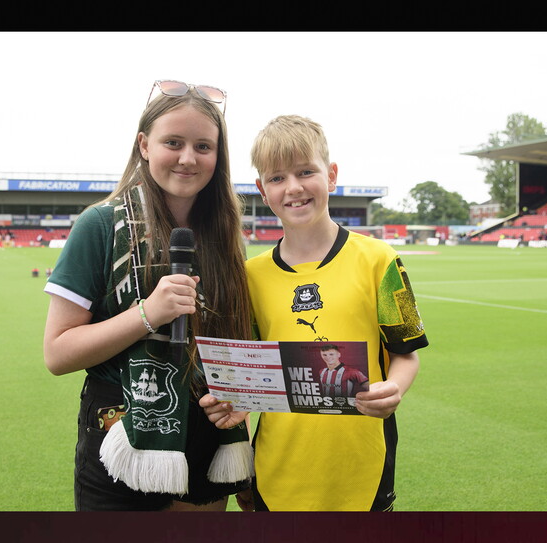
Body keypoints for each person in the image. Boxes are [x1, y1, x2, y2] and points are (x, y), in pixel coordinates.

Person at [43, 80, 255, 511]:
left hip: (208, 433)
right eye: (172, 142)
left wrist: (240, 398)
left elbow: (235, 346)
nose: (187, 158)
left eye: (203, 146)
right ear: (143, 144)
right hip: (121, 434)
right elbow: (57, 353)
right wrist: (148, 313)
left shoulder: (226, 234)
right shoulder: (99, 225)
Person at [200, 115, 429, 511]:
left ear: (332, 175)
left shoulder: (381, 260)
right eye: (277, 178)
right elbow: (253, 374)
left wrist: (395, 388)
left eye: (306, 171)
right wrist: (237, 400)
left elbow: (406, 354)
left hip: (362, 467)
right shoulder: (249, 276)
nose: (293, 187)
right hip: (278, 470)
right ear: (261, 189)